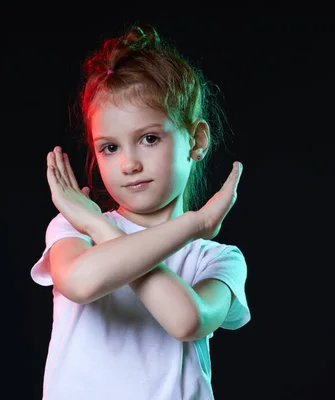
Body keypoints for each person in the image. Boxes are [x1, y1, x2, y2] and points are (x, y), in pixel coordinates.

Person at [30, 23, 251, 400]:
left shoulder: (217, 259)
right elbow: (80, 283)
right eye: (109, 148)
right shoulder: (75, 228)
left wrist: (193, 227)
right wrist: (94, 223)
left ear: (196, 140)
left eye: (149, 139)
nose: (129, 164)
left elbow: (185, 320)